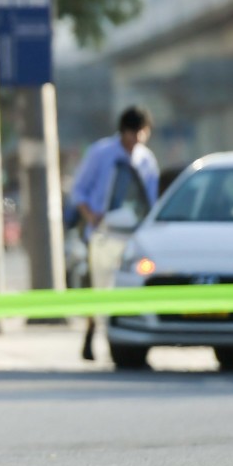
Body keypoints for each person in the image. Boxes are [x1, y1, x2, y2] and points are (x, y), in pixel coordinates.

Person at [70, 105, 159, 361]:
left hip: (132, 236)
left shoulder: (146, 160)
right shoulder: (101, 153)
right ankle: (91, 334)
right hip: (101, 235)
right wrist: (92, 216)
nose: (137, 140)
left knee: (127, 288)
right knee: (98, 288)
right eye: (134, 133)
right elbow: (79, 192)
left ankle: (123, 340)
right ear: (124, 132)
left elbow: (150, 201)